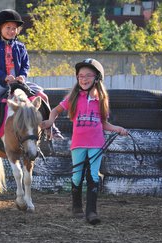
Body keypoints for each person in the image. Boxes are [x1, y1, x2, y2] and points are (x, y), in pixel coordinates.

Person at [41, 58, 128, 224]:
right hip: (78, 144)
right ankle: (76, 206)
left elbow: (103, 123)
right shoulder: (73, 98)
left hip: (96, 143)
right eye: (81, 76)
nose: (84, 79)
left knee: (93, 175)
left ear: (97, 78)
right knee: (77, 176)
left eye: (88, 75)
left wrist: (118, 129)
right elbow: (55, 110)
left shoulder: (101, 100)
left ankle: (92, 212)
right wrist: (50, 121)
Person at [0, 9, 63, 145]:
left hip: (20, 82)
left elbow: (25, 65)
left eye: (14, 28)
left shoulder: (21, 47)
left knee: (44, 97)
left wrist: (22, 76)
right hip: (1, 83)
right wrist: (4, 77)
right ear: (0, 28)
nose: (11, 31)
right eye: (8, 28)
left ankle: (50, 126)